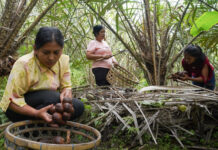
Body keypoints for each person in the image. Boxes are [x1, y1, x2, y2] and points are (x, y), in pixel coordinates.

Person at [0, 27, 84, 122]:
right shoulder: (24, 64)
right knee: (52, 98)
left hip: (46, 104)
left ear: (61, 50)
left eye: (56, 52)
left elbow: (66, 86)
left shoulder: (63, 61)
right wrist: (36, 113)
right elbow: (10, 101)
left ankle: (45, 125)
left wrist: (66, 92)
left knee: (78, 106)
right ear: (36, 49)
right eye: (46, 52)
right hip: (19, 109)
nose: (51, 57)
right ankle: (36, 121)